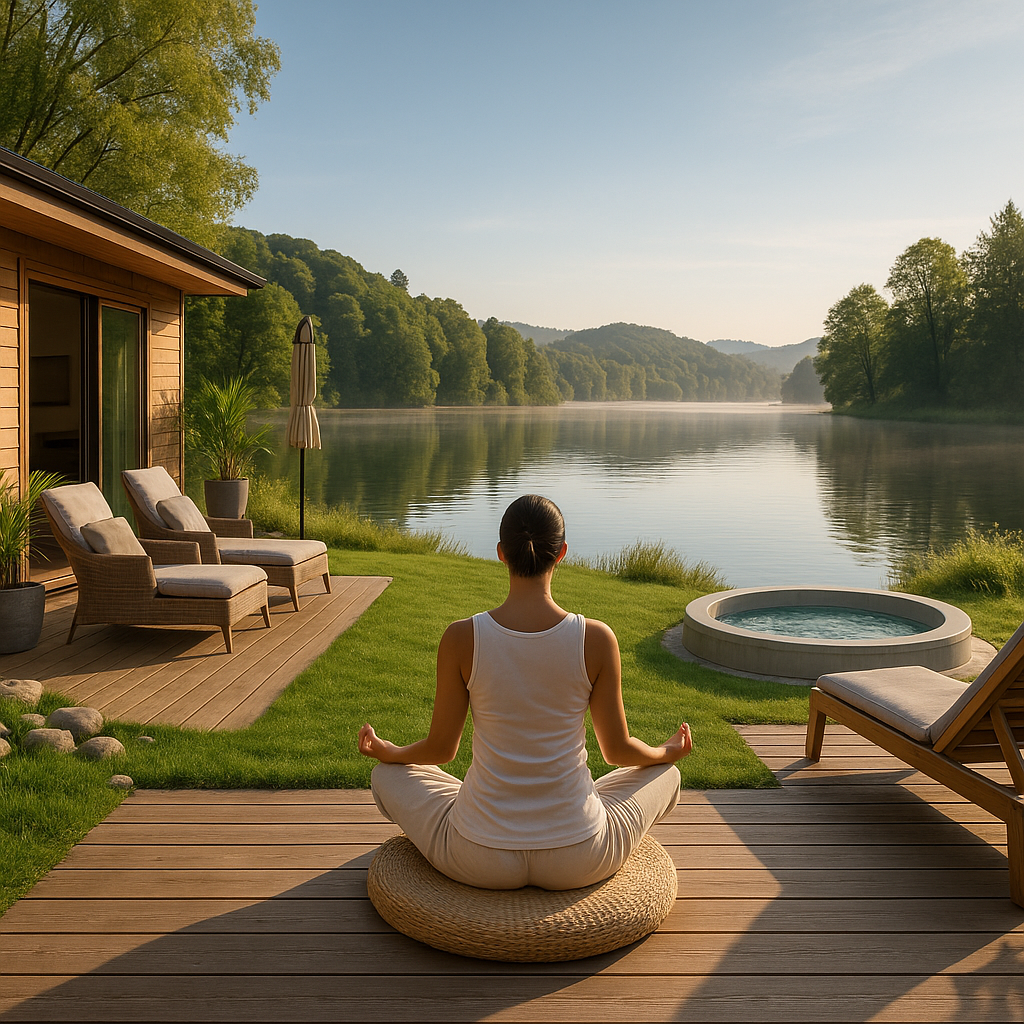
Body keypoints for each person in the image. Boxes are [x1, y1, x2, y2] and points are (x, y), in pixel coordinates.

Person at [358, 494, 693, 890]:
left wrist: (391, 753)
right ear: (562, 553)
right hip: (580, 854)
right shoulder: (596, 639)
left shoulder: (462, 638)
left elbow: (441, 749)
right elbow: (618, 752)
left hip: (478, 854)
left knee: (386, 775)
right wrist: (666, 752)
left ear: (501, 552)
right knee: (667, 774)